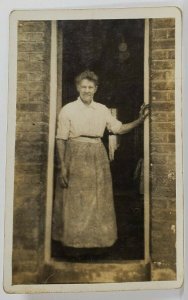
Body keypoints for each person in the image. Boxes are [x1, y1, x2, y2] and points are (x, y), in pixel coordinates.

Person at [55, 70, 149, 257]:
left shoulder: (102, 109)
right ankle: (74, 245)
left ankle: (97, 244)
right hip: (75, 154)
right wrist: (63, 167)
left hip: (98, 155)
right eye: (83, 87)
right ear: (77, 87)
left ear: (96, 89)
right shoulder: (68, 110)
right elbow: (60, 139)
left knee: (97, 199)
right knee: (77, 199)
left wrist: (140, 121)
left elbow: (119, 128)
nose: (87, 90)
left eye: (90, 87)